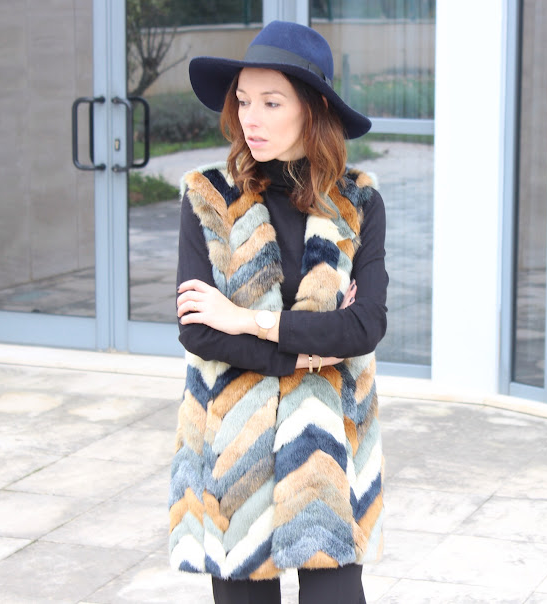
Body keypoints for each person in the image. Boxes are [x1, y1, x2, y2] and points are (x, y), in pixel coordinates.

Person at [169, 20, 388, 604]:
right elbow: (199, 331)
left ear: (313, 109)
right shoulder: (209, 198)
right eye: (243, 101)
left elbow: (365, 326)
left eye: (271, 102)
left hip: (327, 445)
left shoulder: (358, 202)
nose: (251, 118)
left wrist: (246, 320)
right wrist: (311, 351)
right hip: (234, 449)